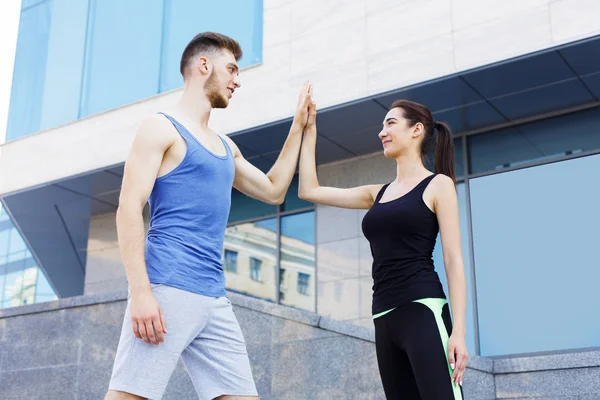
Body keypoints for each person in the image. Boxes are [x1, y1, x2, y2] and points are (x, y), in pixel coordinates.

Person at [105, 32, 313, 400]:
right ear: (204, 66)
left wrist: (298, 125)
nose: (237, 80)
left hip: (214, 299)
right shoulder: (160, 128)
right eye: (231, 68)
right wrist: (140, 293)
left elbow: (273, 190)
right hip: (167, 288)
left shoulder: (224, 146)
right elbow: (128, 208)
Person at [298, 96, 468, 399]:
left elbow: (453, 259)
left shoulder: (438, 185)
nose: (381, 132)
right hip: (383, 316)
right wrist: (308, 129)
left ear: (416, 130)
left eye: (390, 123)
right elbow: (309, 189)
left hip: (422, 309)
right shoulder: (376, 194)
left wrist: (459, 333)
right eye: (382, 125)